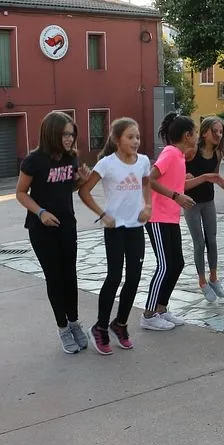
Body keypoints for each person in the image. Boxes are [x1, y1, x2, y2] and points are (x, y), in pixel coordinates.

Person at [16, 111, 91, 354]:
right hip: (41, 229)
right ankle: (62, 327)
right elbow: (20, 193)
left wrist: (81, 181)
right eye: (64, 134)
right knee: (55, 278)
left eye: (72, 134)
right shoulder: (34, 161)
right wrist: (41, 213)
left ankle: (74, 322)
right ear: (51, 134)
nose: (69, 139)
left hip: (67, 224)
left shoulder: (71, 158)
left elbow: (67, 188)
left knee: (70, 276)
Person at [78, 117, 153, 353]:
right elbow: (84, 191)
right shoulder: (107, 164)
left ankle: (120, 324)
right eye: (130, 137)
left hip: (136, 227)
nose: (136, 141)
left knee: (134, 277)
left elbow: (146, 183)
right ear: (116, 139)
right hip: (115, 228)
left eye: (137, 137)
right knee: (114, 277)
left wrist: (148, 206)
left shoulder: (143, 161)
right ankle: (100, 327)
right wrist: (103, 214)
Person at [142, 113, 204, 330]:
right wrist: (176, 195)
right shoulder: (170, 152)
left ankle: (161, 309)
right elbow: (149, 179)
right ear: (187, 135)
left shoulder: (179, 156)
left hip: (170, 218)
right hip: (157, 218)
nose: (197, 136)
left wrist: (181, 182)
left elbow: (169, 181)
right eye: (195, 132)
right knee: (164, 265)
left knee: (177, 263)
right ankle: (148, 315)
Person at [183, 117, 224, 302]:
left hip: (208, 201)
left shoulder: (217, 153)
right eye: (214, 131)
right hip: (191, 203)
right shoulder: (192, 151)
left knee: (212, 240)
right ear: (205, 132)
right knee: (199, 243)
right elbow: (177, 170)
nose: (218, 134)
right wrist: (184, 174)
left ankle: (214, 279)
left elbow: (215, 176)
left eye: (221, 131)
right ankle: (202, 282)